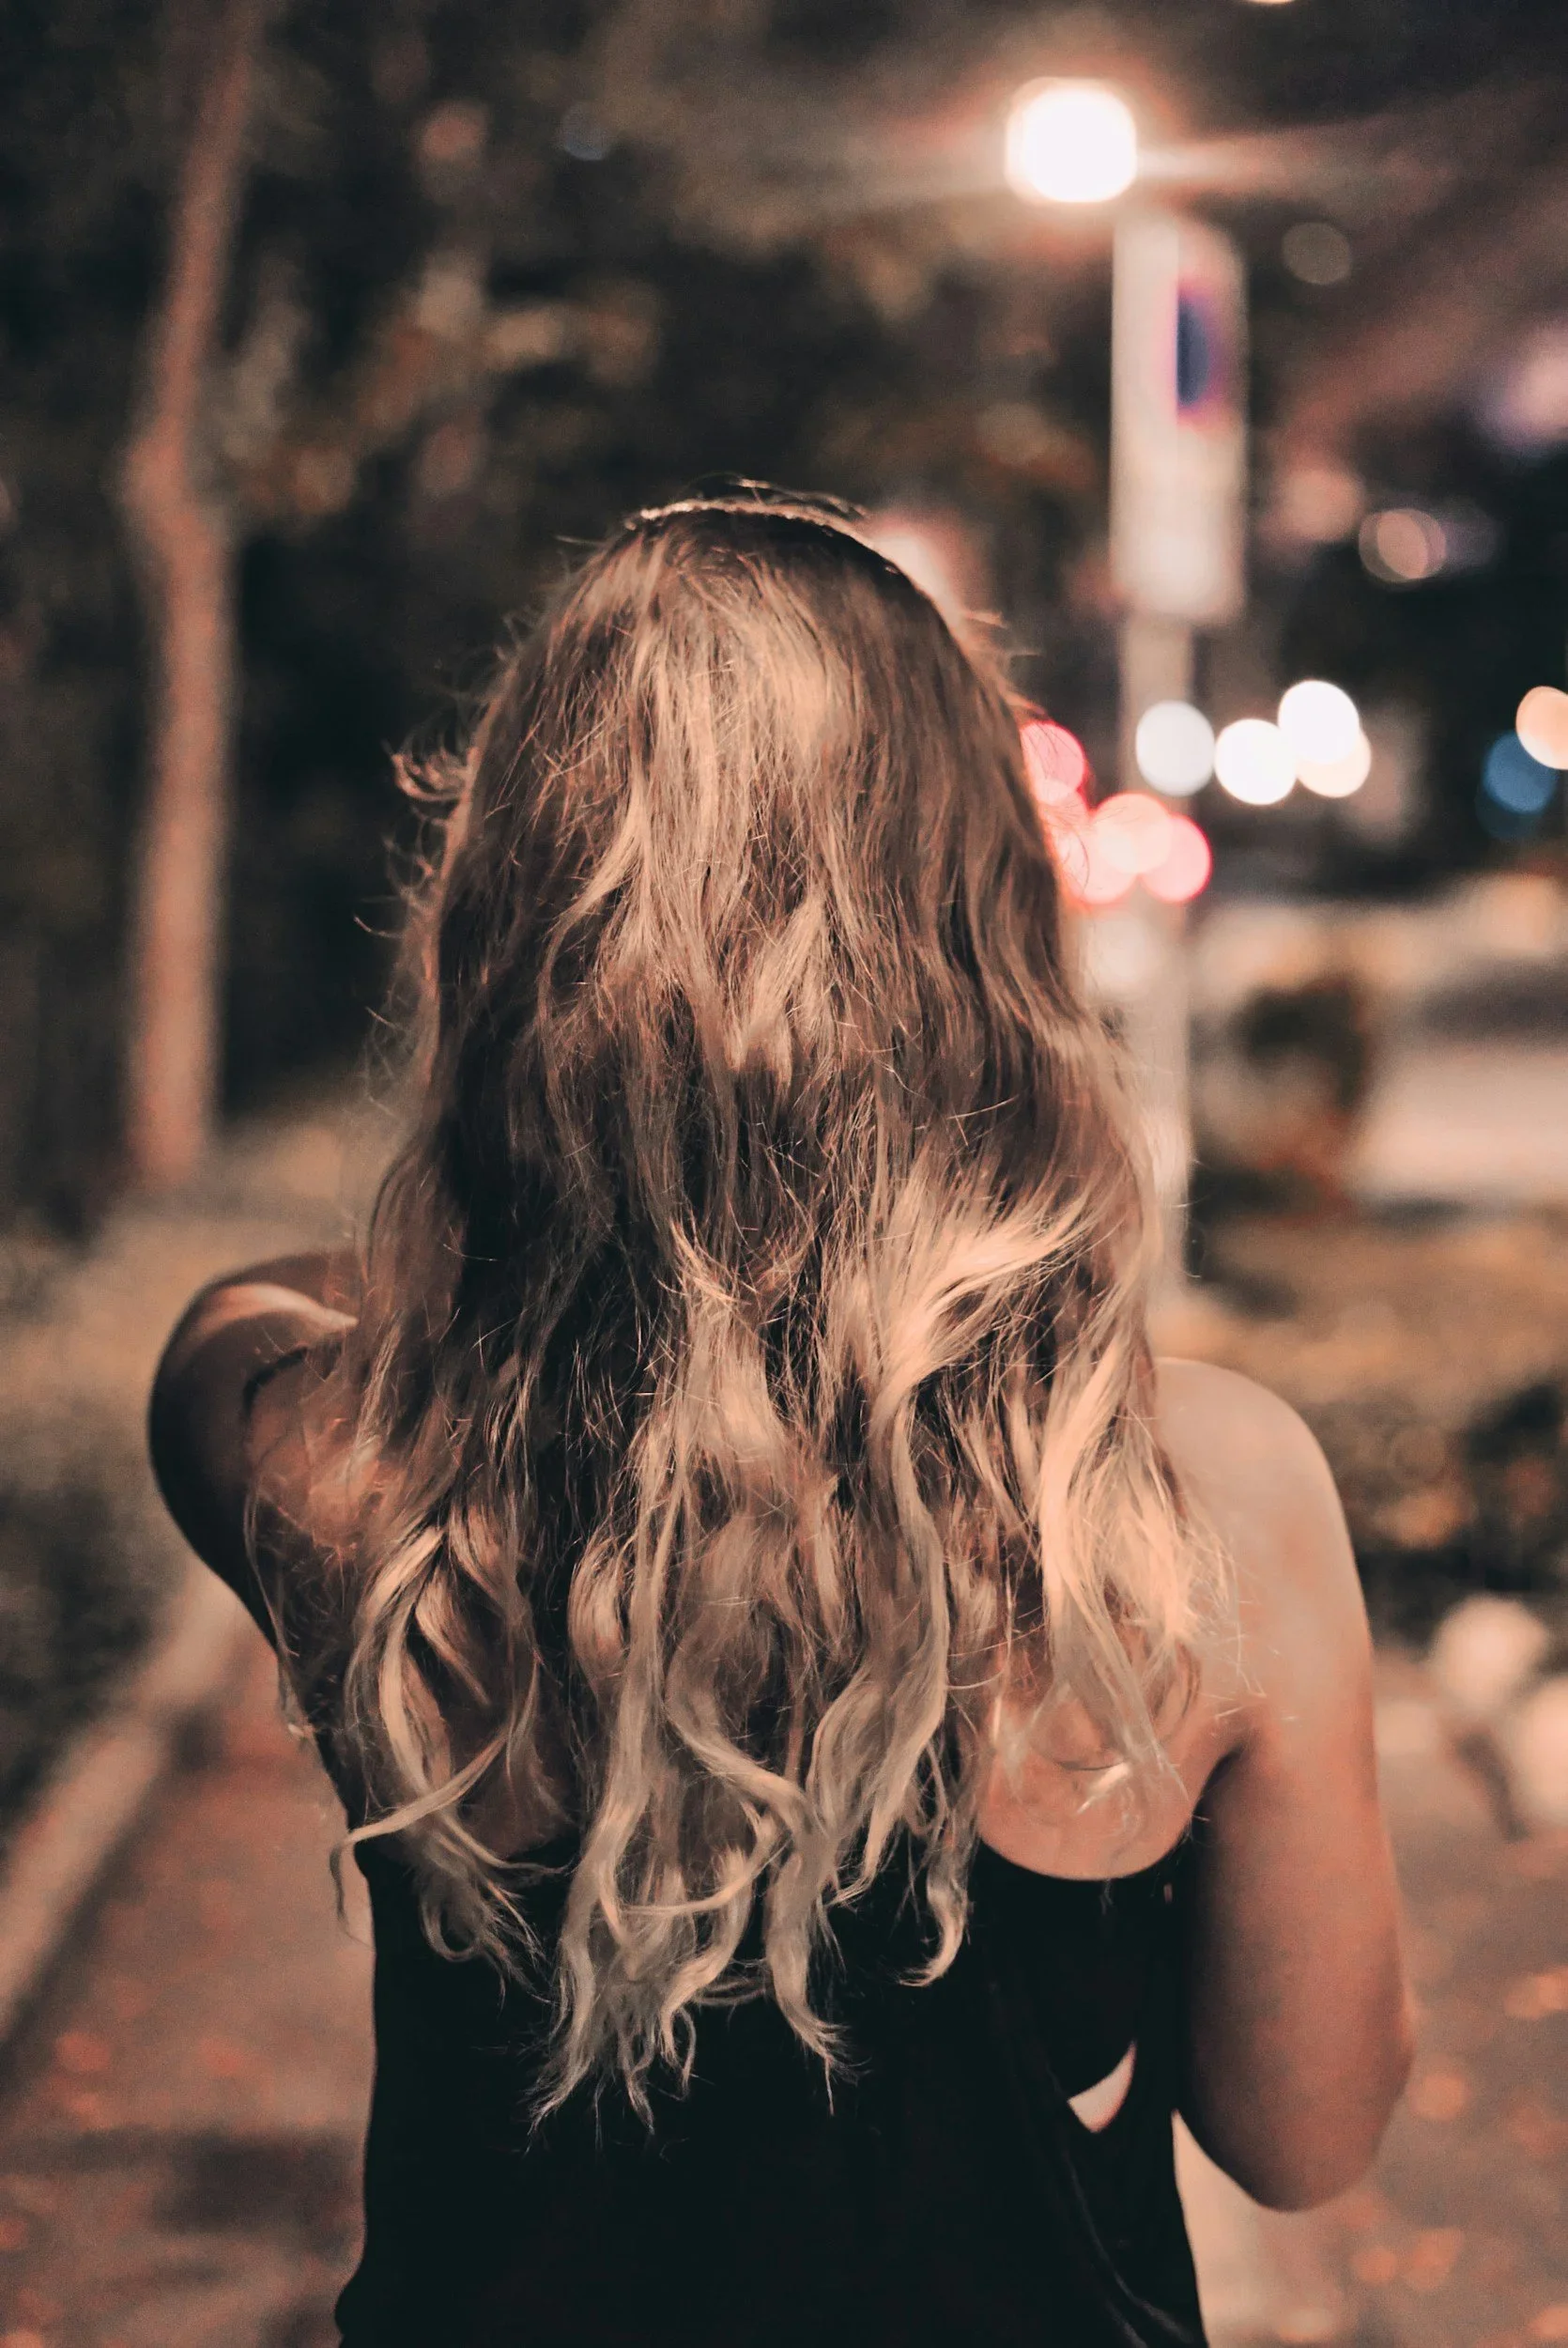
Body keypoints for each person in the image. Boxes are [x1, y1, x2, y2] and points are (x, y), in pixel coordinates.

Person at [149, 489, 1413, 2348]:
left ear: (517, 924)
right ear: (981, 933)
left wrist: (578, 1209)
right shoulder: (1195, 1492)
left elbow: (291, 1294)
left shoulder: (332, 1451)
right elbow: (1305, 2130)